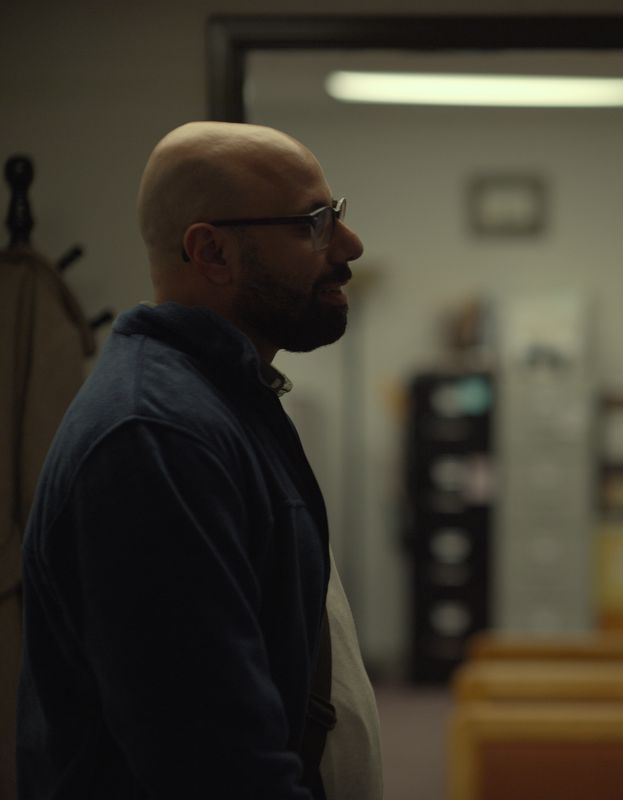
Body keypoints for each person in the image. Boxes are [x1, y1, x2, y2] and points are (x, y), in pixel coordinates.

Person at [17, 121, 382, 798]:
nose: (350, 246)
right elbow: (216, 767)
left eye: (336, 215)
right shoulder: (153, 438)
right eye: (311, 224)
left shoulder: (223, 399)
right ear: (212, 252)